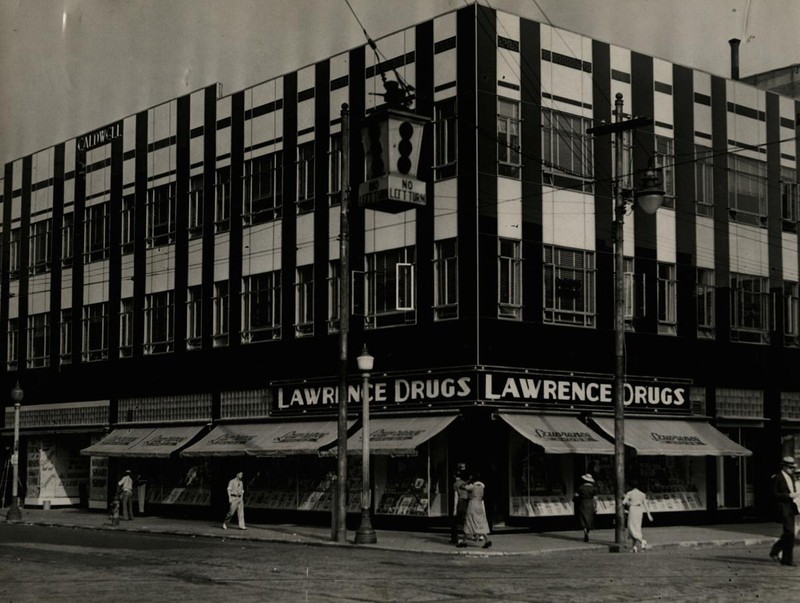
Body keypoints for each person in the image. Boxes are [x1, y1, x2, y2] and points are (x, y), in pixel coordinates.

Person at [769, 456, 800, 566]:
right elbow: (774, 494)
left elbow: (793, 490)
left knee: (789, 533)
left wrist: (794, 495)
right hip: (783, 507)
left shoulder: (791, 477)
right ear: (785, 467)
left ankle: (784, 558)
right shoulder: (778, 477)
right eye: (790, 467)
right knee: (790, 533)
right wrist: (788, 495)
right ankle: (779, 553)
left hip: (791, 506)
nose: (792, 470)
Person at [459, 472, 492, 549]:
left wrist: (468, 481)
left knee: (469, 522)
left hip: (472, 505)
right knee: (480, 523)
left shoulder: (473, 486)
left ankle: (464, 541)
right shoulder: (481, 487)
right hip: (479, 505)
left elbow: (461, 486)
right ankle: (487, 540)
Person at [623, 479, 653, 553]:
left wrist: (625, 499)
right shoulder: (642, 494)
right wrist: (649, 514)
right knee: (637, 527)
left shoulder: (629, 493)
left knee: (631, 527)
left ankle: (642, 541)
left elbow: (624, 503)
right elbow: (645, 504)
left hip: (633, 509)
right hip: (640, 510)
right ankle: (634, 546)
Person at [574, 473, 597, 542]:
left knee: (583, 518)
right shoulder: (594, 488)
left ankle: (585, 532)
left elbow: (576, 495)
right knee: (590, 518)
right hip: (590, 503)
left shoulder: (581, 488)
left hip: (583, 503)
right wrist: (595, 506)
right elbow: (595, 499)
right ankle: (588, 530)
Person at [450, 468, 469, 545]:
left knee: (455, 521)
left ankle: (454, 538)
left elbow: (456, 496)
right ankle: (465, 538)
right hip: (466, 502)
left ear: (454, 476)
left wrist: (454, 509)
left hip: (460, 502)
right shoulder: (465, 483)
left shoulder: (455, 484)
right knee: (465, 521)